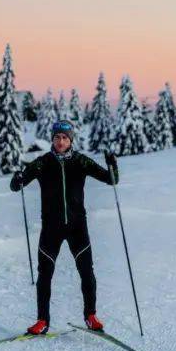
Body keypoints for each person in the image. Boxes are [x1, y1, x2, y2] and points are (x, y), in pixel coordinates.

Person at [10, 120, 118, 335]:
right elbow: (16, 186)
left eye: (65, 138)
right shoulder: (42, 163)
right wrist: (18, 178)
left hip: (78, 227)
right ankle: (42, 320)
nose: (61, 141)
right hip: (51, 228)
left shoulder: (81, 162)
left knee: (87, 272)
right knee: (45, 275)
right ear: (52, 139)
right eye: (57, 137)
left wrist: (112, 164)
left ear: (71, 141)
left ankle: (90, 315)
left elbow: (111, 180)